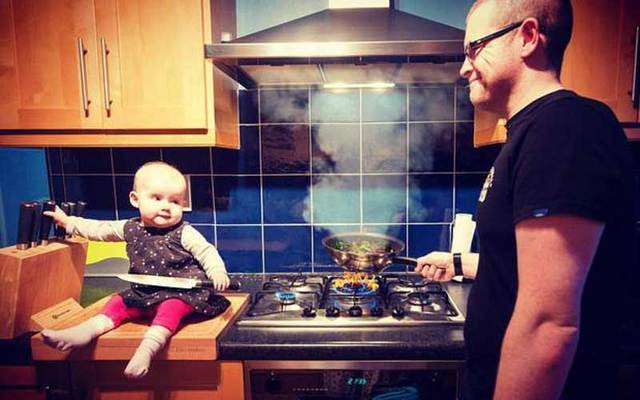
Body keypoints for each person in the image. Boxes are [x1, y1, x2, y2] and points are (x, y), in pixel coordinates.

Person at [415, 1, 636, 399]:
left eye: (474, 48)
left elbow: (549, 322)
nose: (464, 67)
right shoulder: (532, 133)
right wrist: (457, 262)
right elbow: (524, 268)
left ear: (528, 37)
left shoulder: (565, 128)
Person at [41, 161, 231, 379]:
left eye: (176, 201)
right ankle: (83, 333)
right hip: (143, 293)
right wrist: (68, 222)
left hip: (181, 293)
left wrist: (218, 272)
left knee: (172, 308)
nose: (167, 206)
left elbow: (207, 252)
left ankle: (147, 350)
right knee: (117, 303)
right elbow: (98, 229)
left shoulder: (185, 232)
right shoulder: (128, 227)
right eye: (157, 198)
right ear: (135, 199)